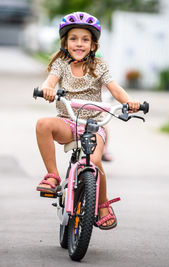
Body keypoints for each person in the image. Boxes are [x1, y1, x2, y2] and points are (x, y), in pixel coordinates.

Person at [35, 11, 140, 230]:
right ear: (65, 43)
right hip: (67, 121)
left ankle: (102, 205)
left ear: (93, 45)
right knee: (43, 124)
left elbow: (115, 89)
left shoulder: (99, 66)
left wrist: (129, 101)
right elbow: (50, 81)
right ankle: (53, 176)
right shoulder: (61, 65)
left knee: (95, 161)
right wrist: (47, 89)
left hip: (93, 125)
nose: (79, 43)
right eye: (74, 39)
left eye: (85, 39)